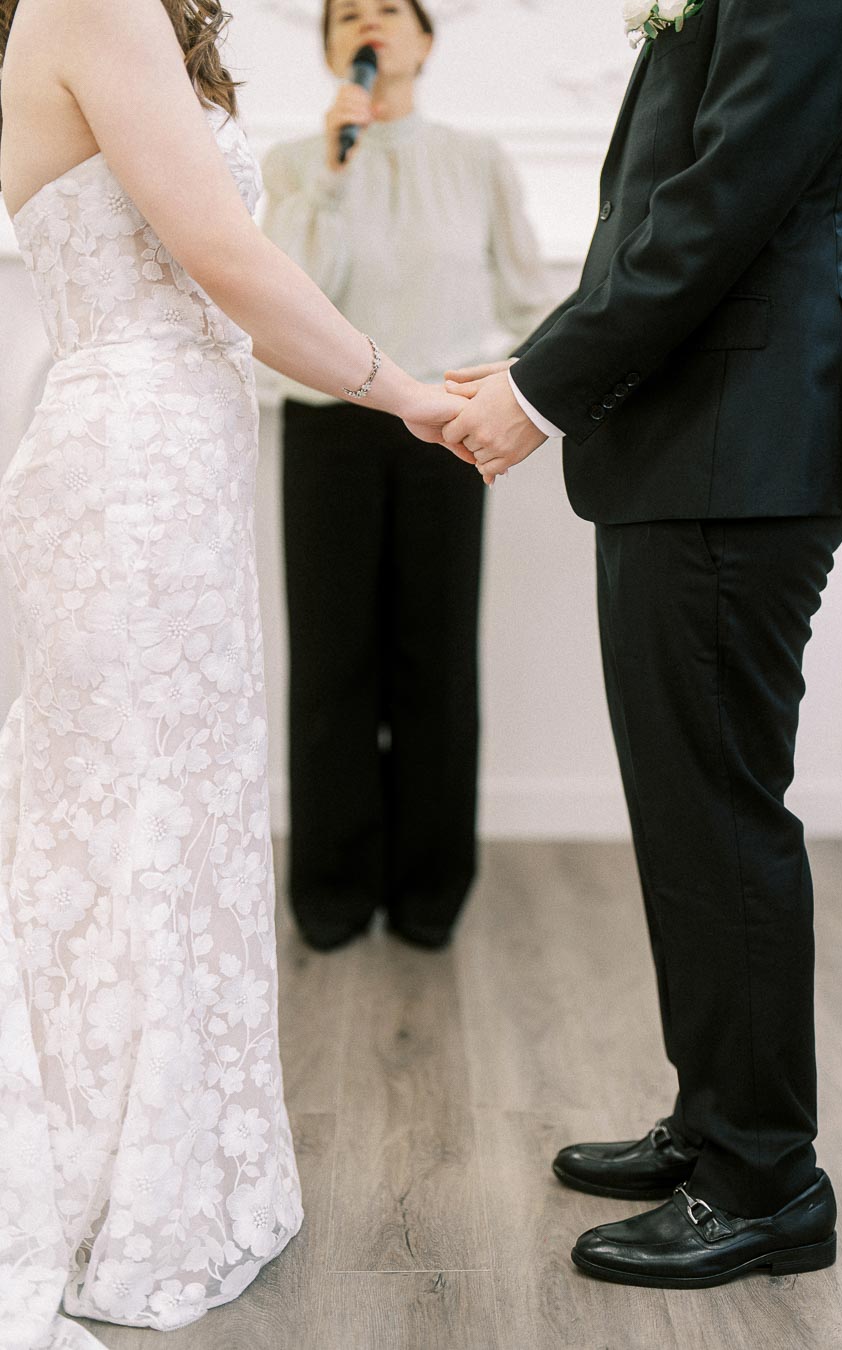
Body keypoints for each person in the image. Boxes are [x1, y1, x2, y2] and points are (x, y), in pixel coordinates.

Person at [0, 0, 466, 1344]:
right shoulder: (90, 0)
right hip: (135, 458)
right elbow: (224, 259)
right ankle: (113, 1176)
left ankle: (169, 1158)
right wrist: (413, 394)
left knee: (169, 812)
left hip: (164, 448)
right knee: (135, 815)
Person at [444, 0, 842, 1290]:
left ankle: (765, 1182)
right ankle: (719, 1123)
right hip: (694, 443)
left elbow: (720, 205)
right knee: (688, 812)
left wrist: (540, 392)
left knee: (719, 814)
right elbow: (659, 211)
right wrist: (540, 361)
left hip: (738, 446)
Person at [261, 0, 553, 952]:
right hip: (328, 430)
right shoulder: (296, 167)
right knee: (331, 664)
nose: (369, 23)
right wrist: (335, 174)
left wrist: (510, 392)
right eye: (348, 14)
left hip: (449, 434)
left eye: (389, 8)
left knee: (434, 661)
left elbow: (527, 300)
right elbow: (294, 305)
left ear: (425, 39)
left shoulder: (477, 160)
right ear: (331, 48)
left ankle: (431, 894)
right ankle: (334, 892)